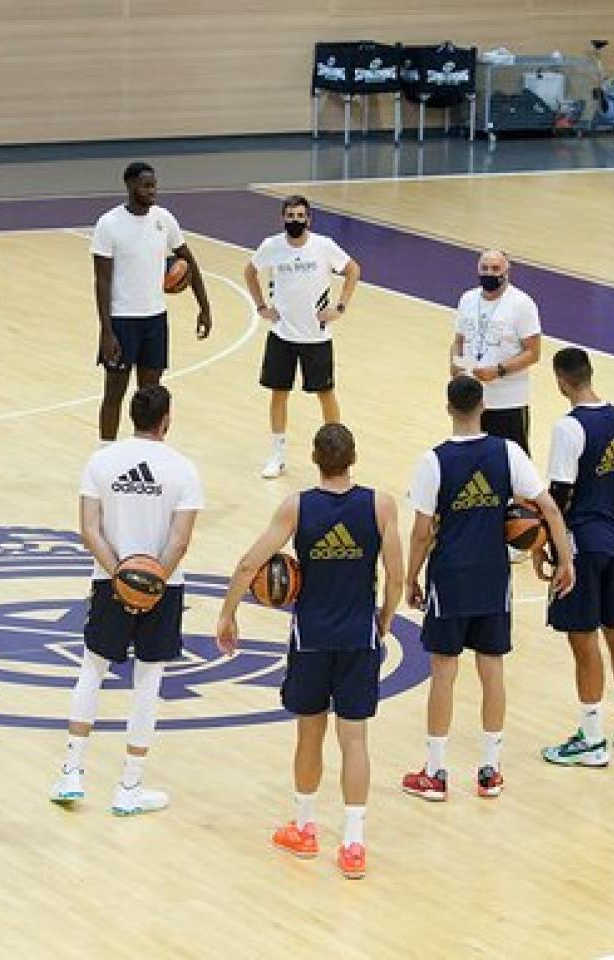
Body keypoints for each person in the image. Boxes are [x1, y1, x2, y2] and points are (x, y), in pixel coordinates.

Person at [214, 423, 401, 879]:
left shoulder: (297, 507)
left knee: (309, 735)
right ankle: (354, 844)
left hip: (312, 639)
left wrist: (227, 614)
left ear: (316, 459)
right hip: (359, 638)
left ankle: (305, 827)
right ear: (353, 457)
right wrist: (386, 619)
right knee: (354, 739)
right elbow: (395, 576)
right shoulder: (380, 505)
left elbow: (248, 563)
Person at [401, 376, 573, 801]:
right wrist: (565, 558)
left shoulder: (433, 461)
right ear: (484, 406)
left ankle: (437, 774)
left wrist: (409, 577)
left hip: (451, 577)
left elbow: (421, 533)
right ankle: (490, 771)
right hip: (494, 578)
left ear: (448, 408)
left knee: (444, 672)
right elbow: (548, 507)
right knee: (492, 670)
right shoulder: (508, 452)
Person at [52, 384, 203, 815]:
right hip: (165, 587)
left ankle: (71, 773)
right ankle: (129, 788)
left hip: (108, 580)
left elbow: (89, 529)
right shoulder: (184, 470)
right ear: (166, 419)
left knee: (92, 669)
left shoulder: (101, 461)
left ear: (131, 416)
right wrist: (151, 582)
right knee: (148, 680)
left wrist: (120, 576)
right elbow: (180, 541)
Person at [538, 348, 614, 767]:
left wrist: (547, 549)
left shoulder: (569, 428)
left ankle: (591, 737)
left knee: (583, 639)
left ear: (561, 381)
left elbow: (560, 497)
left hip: (581, 545)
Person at [91, 162, 213, 442]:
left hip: (155, 320)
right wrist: (106, 331)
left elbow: (189, 261)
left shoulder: (164, 219)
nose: (152, 191)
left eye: (154, 185)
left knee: (150, 396)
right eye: (146, 185)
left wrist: (204, 307)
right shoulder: (108, 224)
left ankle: (149, 449)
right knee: (114, 393)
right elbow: (102, 282)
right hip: (122, 321)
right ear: (130, 185)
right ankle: (105, 453)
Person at [245, 196, 360, 479]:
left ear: (309, 219)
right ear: (282, 218)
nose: (295, 220)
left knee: (325, 393)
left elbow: (353, 270)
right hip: (282, 334)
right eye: (290, 215)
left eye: (300, 215)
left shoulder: (324, 246)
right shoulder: (271, 246)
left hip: (316, 336)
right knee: (279, 393)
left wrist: (340, 307)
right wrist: (261, 306)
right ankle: (278, 454)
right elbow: (250, 272)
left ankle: (339, 454)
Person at [448, 249, 542, 454]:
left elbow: (533, 353)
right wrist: (455, 365)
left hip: (508, 402)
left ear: (507, 272)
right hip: (471, 401)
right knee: (474, 458)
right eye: (485, 268)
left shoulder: (522, 304)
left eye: (495, 268)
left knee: (514, 460)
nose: (489, 273)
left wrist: (499, 370)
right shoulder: (467, 299)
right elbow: (458, 341)